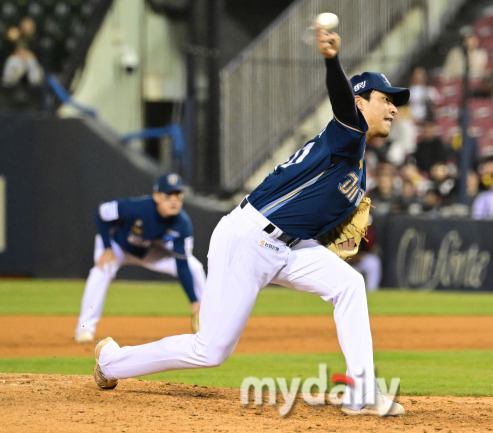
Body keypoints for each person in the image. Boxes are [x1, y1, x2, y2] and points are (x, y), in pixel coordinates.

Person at [92, 26, 406, 417]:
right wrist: (332, 60)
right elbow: (342, 102)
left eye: (396, 102)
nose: (394, 108)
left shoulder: (357, 174)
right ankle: (112, 361)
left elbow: (313, 219)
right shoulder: (348, 132)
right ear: (361, 103)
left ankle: (362, 391)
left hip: (288, 246)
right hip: (249, 239)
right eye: (385, 99)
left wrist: (329, 240)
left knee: (349, 284)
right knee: (211, 350)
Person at [75, 173, 206, 343]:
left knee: (194, 266)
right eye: (168, 196)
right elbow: (101, 212)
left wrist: (194, 301)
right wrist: (107, 248)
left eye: (178, 196)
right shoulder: (136, 207)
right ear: (157, 196)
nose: (174, 201)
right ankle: (85, 329)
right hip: (119, 248)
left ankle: (208, 318)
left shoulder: (182, 223)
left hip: (151, 252)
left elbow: (182, 265)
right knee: (100, 272)